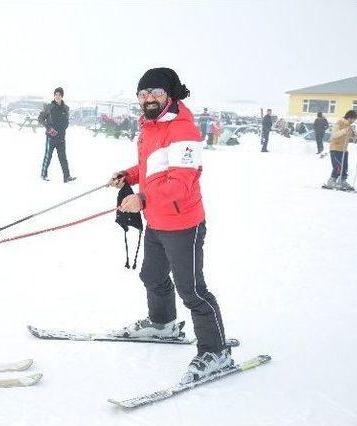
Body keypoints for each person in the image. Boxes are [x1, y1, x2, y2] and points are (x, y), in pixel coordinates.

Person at [109, 67, 231, 384]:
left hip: (183, 224)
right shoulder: (151, 127)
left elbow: (181, 182)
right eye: (143, 94)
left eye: (156, 93)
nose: (148, 99)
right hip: (158, 222)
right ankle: (162, 323)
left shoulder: (184, 131)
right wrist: (129, 176)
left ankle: (216, 350)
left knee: (192, 290)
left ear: (170, 95)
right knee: (151, 275)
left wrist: (143, 200)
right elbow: (151, 166)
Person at [38, 87, 75, 182]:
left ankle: (67, 177)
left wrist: (64, 128)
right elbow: (40, 119)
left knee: (63, 157)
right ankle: (43, 174)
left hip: (61, 138)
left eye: (59, 95)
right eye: (56, 94)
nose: (57, 96)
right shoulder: (49, 107)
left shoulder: (65, 109)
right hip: (51, 137)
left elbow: (66, 122)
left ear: (62, 96)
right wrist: (49, 128)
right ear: (54, 95)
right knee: (48, 156)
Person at [323, 110, 357, 191]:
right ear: (349, 118)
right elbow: (333, 135)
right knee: (338, 166)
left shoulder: (349, 127)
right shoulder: (339, 123)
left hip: (344, 150)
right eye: (353, 119)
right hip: (335, 148)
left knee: (345, 167)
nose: (354, 121)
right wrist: (343, 131)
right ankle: (331, 181)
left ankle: (342, 181)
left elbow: (353, 136)